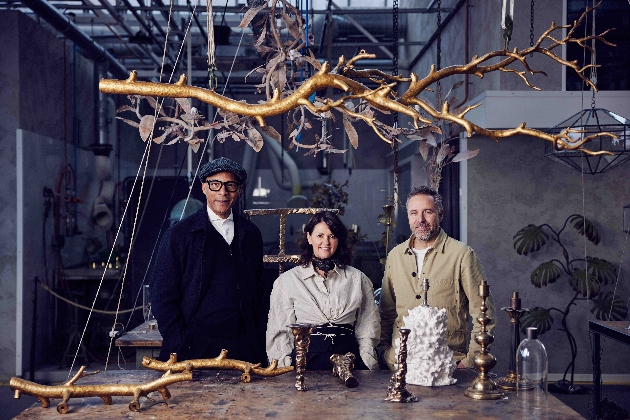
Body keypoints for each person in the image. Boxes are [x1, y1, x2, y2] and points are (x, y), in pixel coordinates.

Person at [151, 157, 267, 364]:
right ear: (204, 188)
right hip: (193, 345)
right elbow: (162, 294)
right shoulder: (179, 235)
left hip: (242, 344)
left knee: (248, 397)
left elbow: (260, 290)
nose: (223, 192)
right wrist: (178, 340)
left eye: (230, 185)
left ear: (239, 190)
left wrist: (257, 337)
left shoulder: (251, 233)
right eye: (215, 184)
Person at [378, 185, 495, 370]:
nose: (420, 219)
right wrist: (385, 352)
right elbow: (387, 313)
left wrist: (469, 361)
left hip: (447, 365)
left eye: (427, 212)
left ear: (440, 214)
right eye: (414, 213)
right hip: (400, 364)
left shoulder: (462, 255)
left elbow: (484, 314)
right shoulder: (395, 256)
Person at [266, 211, 380, 370]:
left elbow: (368, 328)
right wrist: (284, 371)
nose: (325, 242)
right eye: (320, 235)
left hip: (351, 363)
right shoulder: (287, 281)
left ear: (339, 240)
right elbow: (280, 334)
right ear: (309, 237)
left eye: (332, 236)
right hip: (305, 365)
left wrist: (367, 364)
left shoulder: (358, 279)